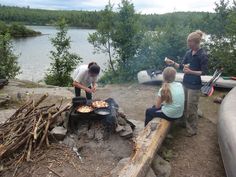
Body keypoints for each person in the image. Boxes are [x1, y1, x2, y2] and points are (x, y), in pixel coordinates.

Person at [165, 30, 208, 136]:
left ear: (196, 42)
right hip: (186, 83)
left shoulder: (202, 55)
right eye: (188, 42)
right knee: (183, 104)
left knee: (191, 108)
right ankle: (184, 122)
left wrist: (191, 72)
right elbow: (182, 66)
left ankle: (192, 129)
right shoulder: (188, 53)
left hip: (194, 86)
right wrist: (173, 63)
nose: (188, 44)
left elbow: (204, 72)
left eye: (190, 42)